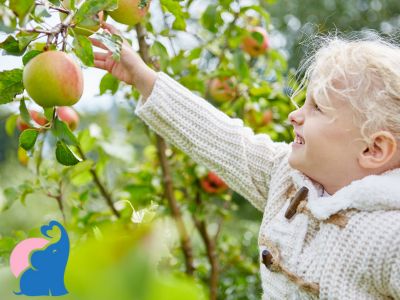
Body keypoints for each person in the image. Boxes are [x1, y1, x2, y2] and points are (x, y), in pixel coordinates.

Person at [91, 24, 400, 299]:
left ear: (373, 150)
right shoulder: (290, 180)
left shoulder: (387, 235)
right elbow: (224, 140)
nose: (295, 115)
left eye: (317, 107)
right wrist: (143, 77)